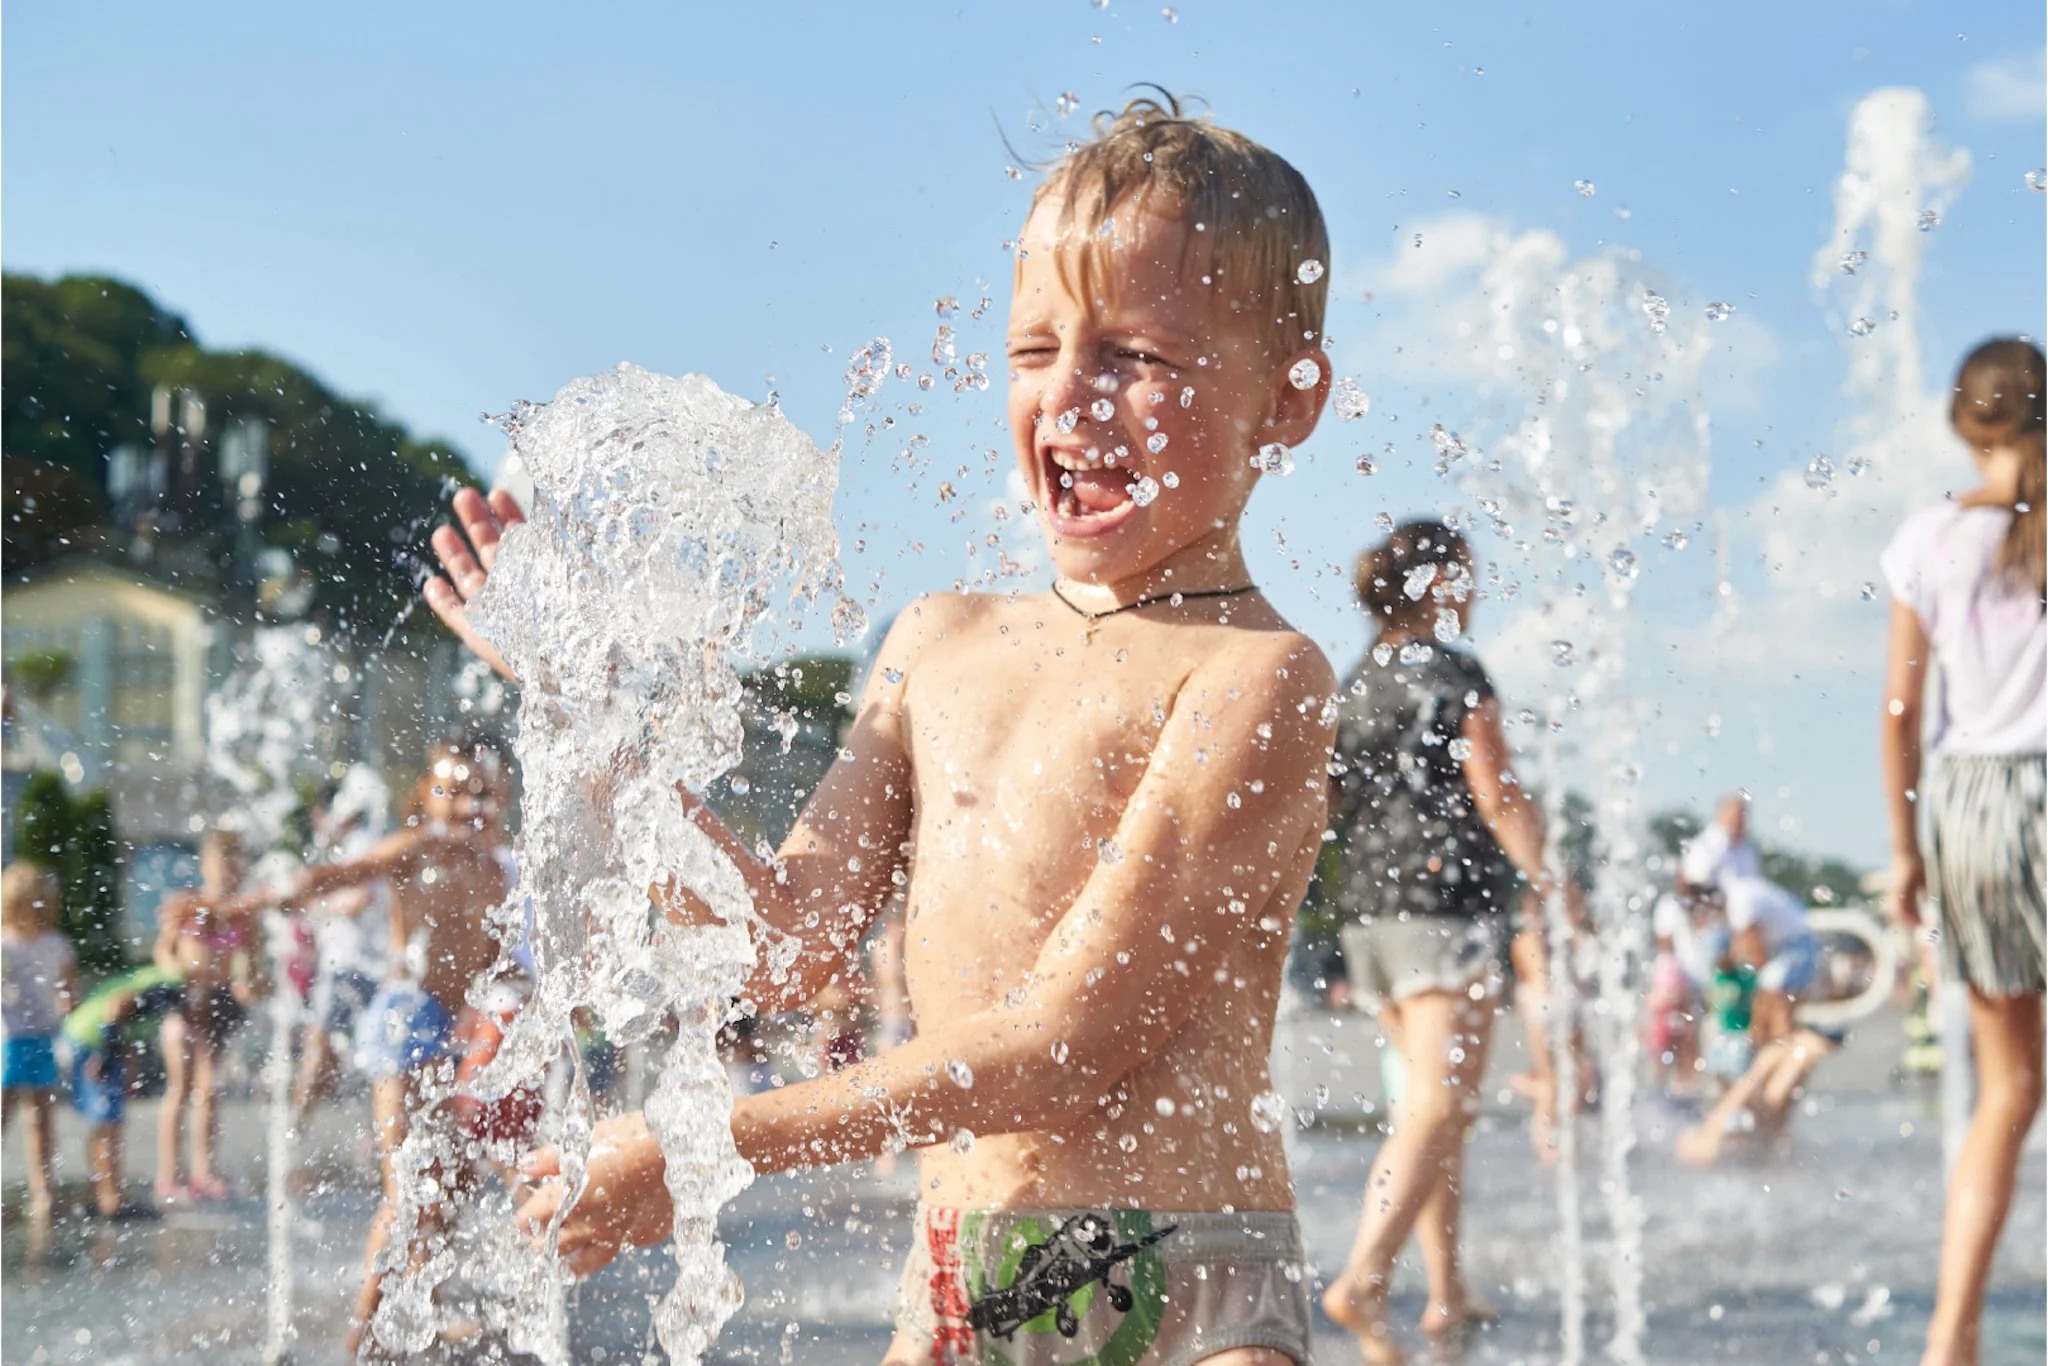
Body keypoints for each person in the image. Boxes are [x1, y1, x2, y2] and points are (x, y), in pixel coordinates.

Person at [431, 92, 1337, 1366]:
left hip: (1185, 1278)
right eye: (1034, 351)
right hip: (963, 1279)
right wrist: (587, 725)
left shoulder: (1255, 675)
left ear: (1288, 399)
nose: (1071, 396)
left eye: (1139, 355)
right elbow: (784, 951)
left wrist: (708, 1148)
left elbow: (1064, 1046)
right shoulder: (936, 643)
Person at [1314, 521, 1555, 1363]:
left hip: (1369, 918)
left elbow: (1330, 803)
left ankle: (1447, 1291)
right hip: (1446, 909)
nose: (1475, 587)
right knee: (1439, 1105)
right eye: (1466, 572)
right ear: (1436, 580)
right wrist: (1550, 878)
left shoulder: (1355, 681)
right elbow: (1496, 787)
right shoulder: (1456, 671)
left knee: (1432, 1108)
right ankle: (1364, 1279)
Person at [1880, 337, 2046, 1366]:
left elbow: (1901, 710)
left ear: (1961, 421)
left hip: (1970, 811)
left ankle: (1951, 1334)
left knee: (2003, 1089)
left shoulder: (1926, 539)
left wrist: (1904, 850)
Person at [272, 733, 523, 1354]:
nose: (465, 804)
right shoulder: (415, 851)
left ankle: (422, 1311)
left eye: (479, 791)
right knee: (408, 1188)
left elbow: (495, 968)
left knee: (456, 1182)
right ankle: (364, 1334)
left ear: (501, 799)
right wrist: (239, 906)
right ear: (423, 798)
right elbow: (335, 874)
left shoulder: (496, 871)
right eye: (448, 789)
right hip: (405, 1024)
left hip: (455, 1035)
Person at [152, 830, 263, 1206]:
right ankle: (170, 1174)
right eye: (220, 864)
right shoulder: (187, 905)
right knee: (180, 1089)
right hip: (184, 1004)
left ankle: (204, 1171)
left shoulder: (243, 915)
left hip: (217, 1007)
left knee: (209, 1090)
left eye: (234, 865)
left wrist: (247, 983)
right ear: (205, 865)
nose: (228, 873)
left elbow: (252, 965)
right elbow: (163, 952)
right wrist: (177, 973)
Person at [291, 767, 391, 1131]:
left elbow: (361, 897)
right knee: (369, 1052)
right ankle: (376, 1132)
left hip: (352, 964)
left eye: (320, 814)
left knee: (318, 1041)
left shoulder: (360, 844)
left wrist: (319, 907)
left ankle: (294, 1124)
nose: (319, 823)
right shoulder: (363, 841)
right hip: (366, 964)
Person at [61, 960, 185, 1216]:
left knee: (105, 1122)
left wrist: (125, 1057)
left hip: (85, 1035)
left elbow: (126, 1017)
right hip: (92, 1041)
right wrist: (105, 1056)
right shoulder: (170, 985)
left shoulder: (162, 975)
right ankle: (111, 1201)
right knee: (110, 1122)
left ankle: (102, 1192)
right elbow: (117, 1005)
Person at [2, 862, 77, 1221]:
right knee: (3, 1112)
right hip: (6, 1039)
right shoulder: (3, 943)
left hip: (43, 1036)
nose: (29, 916)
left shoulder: (55, 945)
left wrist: (67, 1007)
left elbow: (67, 989)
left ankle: (42, 1185)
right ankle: (40, 1185)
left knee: (40, 1117)